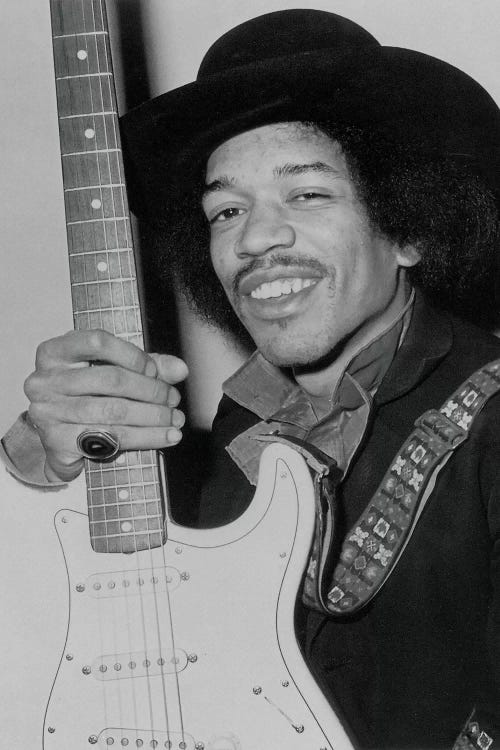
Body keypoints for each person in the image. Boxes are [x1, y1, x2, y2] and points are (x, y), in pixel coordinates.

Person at [2, 9, 500, 749]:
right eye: (225, 209)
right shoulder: (226, 433)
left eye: (306, 194)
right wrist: (37, 461)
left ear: (408, 230)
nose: (254, 238)